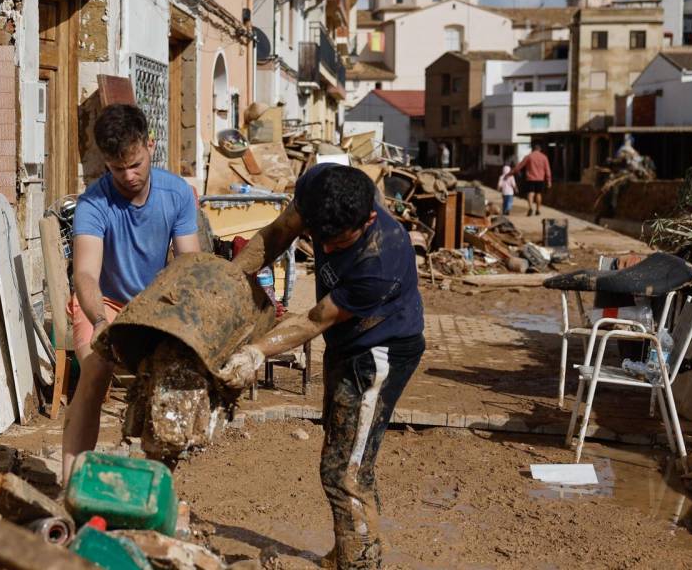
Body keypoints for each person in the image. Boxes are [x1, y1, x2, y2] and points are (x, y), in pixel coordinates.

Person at [223, 164, 426, 569]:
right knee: (341, 453)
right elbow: (278, 233)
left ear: (368, 219)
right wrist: (229, 280)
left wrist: (256, 353)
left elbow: (315, 319)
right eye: (321, 240)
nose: (327, 251)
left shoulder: (381, 259)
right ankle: (348, 552)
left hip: (379, 352)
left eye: (338, 243)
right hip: (347, 343)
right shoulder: (320, 186)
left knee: (346, 469)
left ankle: (359, 564)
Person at [62, 104, 201, 479]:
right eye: (117, 168)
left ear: (149, 145)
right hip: (103, 302)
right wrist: (101, 321)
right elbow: (86, 276)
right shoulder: (93, 202)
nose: (128, 175)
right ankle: (72, 484)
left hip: (155, 303)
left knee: (171, 379)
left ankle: (155, 484)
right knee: (94, 369)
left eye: (135, 163)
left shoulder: (178, 194)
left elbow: (189, 266)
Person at [512, 144, 552, 216]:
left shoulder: (529, 156)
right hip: (540, 179)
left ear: (533, 149)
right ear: (540, 149)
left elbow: (520, 166)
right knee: (538, 194)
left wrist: (511, 172)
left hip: (530, 178)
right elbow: (547, 169)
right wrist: (549, 180)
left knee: (530, 193)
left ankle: (530, 208)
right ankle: (538, 210)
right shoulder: (544, 157)